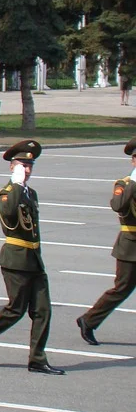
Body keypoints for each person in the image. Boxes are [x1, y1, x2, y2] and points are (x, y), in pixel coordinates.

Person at [0, 140, 65, 375]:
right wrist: (17, 184)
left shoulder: (31, 193)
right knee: (15, 309)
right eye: (23, 165)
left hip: (33, 259)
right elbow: (10, 214)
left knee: (43, 310)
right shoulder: (7, 193)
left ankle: (37, 359)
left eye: (30, 165)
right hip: (15, 259)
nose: (27, 170)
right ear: (12, 167)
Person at [77, 136, 136, 345]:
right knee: (122, 289)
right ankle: (88, 320)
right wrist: (134, 182)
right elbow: (118, 205)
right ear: (133, 162)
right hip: (131, 245)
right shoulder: (124, 184)